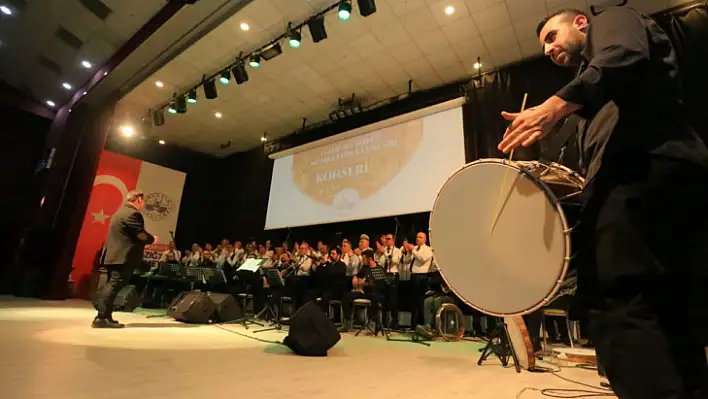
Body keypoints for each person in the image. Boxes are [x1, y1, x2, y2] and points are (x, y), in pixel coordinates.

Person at [498, 7, 708, 399]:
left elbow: (622, 55)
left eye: (551, 36)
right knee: (670, 315)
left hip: (641, 172)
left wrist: (555, 106)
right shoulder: (598, 102)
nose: (546, 50)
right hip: (668, 177)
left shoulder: (612, 21)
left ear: (581, 24)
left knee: (620, 306)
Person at [93, 190, 154, 328]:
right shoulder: (133, 214)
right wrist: (151, 239)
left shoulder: (119, 212)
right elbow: (140, 234)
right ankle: (101, 317)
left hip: (114, 256)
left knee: (112, 284)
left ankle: (106, 315)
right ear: (138, 199)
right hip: (122, 257)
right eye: (143, 201)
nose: (144, 204)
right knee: (114, 285)